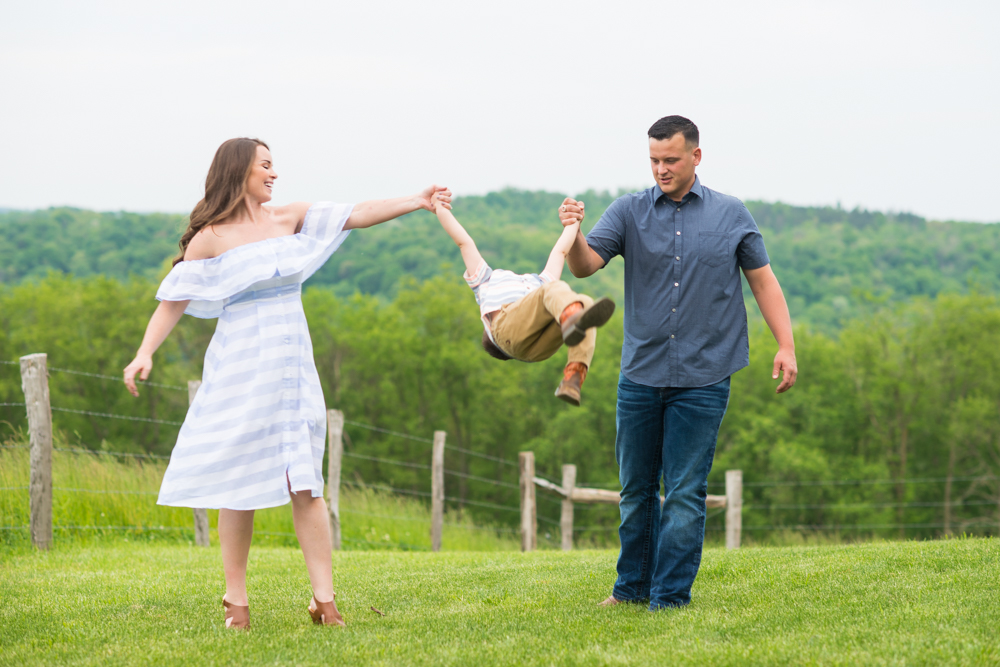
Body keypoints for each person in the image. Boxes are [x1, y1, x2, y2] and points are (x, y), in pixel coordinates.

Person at [123, 137, 450, 629]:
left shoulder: (287, 217)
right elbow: (173, 301)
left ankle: (326, 601)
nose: (274, 175)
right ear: (239, 172)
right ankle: (237, 603)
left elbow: (356, 213)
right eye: (265, 167)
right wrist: (144, 353)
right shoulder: (210, 237)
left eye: (274, 166)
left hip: (294, 370)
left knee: (306, 482)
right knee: (239, 485)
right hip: (240, 369)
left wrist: (417, 200)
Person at [558, 115, 797, 610]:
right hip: (640, 373)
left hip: (705, 375)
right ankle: (630, 591)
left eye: (670, 159)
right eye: (653, 160)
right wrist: (574, 232)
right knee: (636, 493)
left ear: (696, 156)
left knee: (685, 492)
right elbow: (585, 265)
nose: (661, 169)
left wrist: (786, 345)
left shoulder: (731, 213)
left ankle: (669, 598)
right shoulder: (628, 211)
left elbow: (762, 281)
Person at [432, 193, 615, 405]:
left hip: (537, 348)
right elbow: (464, 242)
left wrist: (575, 221)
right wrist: (440, 209)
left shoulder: (541, 289)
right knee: (560, 293)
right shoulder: (486, 282)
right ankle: (572, 319)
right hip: (507, 330)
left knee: (584, 302)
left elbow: (562, 250)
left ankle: (573, 378)